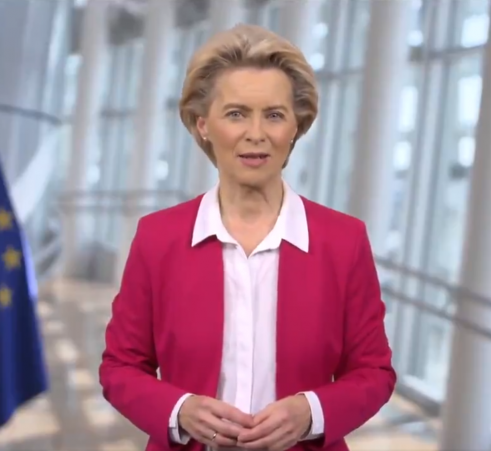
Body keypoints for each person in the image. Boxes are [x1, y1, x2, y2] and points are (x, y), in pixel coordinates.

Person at [99, 24, 396, 451]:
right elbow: (120, 367)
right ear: (203, 124)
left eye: (274, 115)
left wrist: (311, 412)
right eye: (236, 113)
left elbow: (374, 372)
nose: (256, 133)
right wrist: (179, 410)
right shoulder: (158, 238)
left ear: (295, 126)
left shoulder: (344, 241)